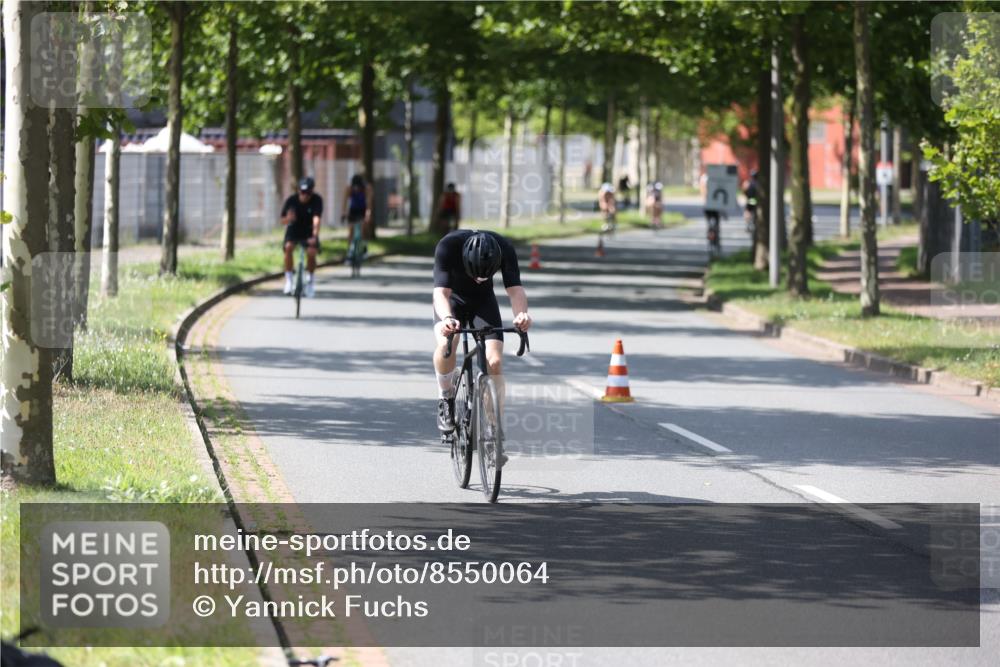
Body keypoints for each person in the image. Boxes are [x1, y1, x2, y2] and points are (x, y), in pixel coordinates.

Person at [432, 230, 532, 450]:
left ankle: (493, 427)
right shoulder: (448, 246)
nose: (479, 279)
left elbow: (515, 291)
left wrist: (521, 315)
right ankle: (445, 397)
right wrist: (448, 318)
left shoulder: (504, 248)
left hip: (483, 302)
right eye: (476, 275)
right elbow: (441, 294)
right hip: (452, 300)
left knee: (494, 362)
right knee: (447, 344)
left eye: (485, 275)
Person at [281, 177, 322, 298]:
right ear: (299, 191)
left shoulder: (317, 200)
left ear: (312, 192)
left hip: (309, 230)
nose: (305, 196)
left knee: (311, 252)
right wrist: (288, 219)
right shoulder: (291, 201)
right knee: (288, 247)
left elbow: (317, 219)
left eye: (308, 193)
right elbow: (282, 220)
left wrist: (314, 235)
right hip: (294, 230)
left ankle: (310, 281)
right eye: (302, 192)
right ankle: (288, 280)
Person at [342, 174, 373, 261]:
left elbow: (369, 205)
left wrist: (368, 215)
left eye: (358, 187)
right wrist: (343, 213)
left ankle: (364, 247)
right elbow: (344, 202)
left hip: (363, 209)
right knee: (350, 229)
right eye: (354, 187)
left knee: (364, 226)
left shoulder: (367, 189)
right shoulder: (349, 189)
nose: (356, 189)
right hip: (353, 209)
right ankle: (349, 251)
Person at [743, 169, 760, 234]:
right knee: (755, 212)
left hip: (750, 200)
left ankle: (747, 225)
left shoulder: (749, 183)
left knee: (747, 212)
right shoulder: (758, 183)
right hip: (756, 201)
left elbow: (745, 191)